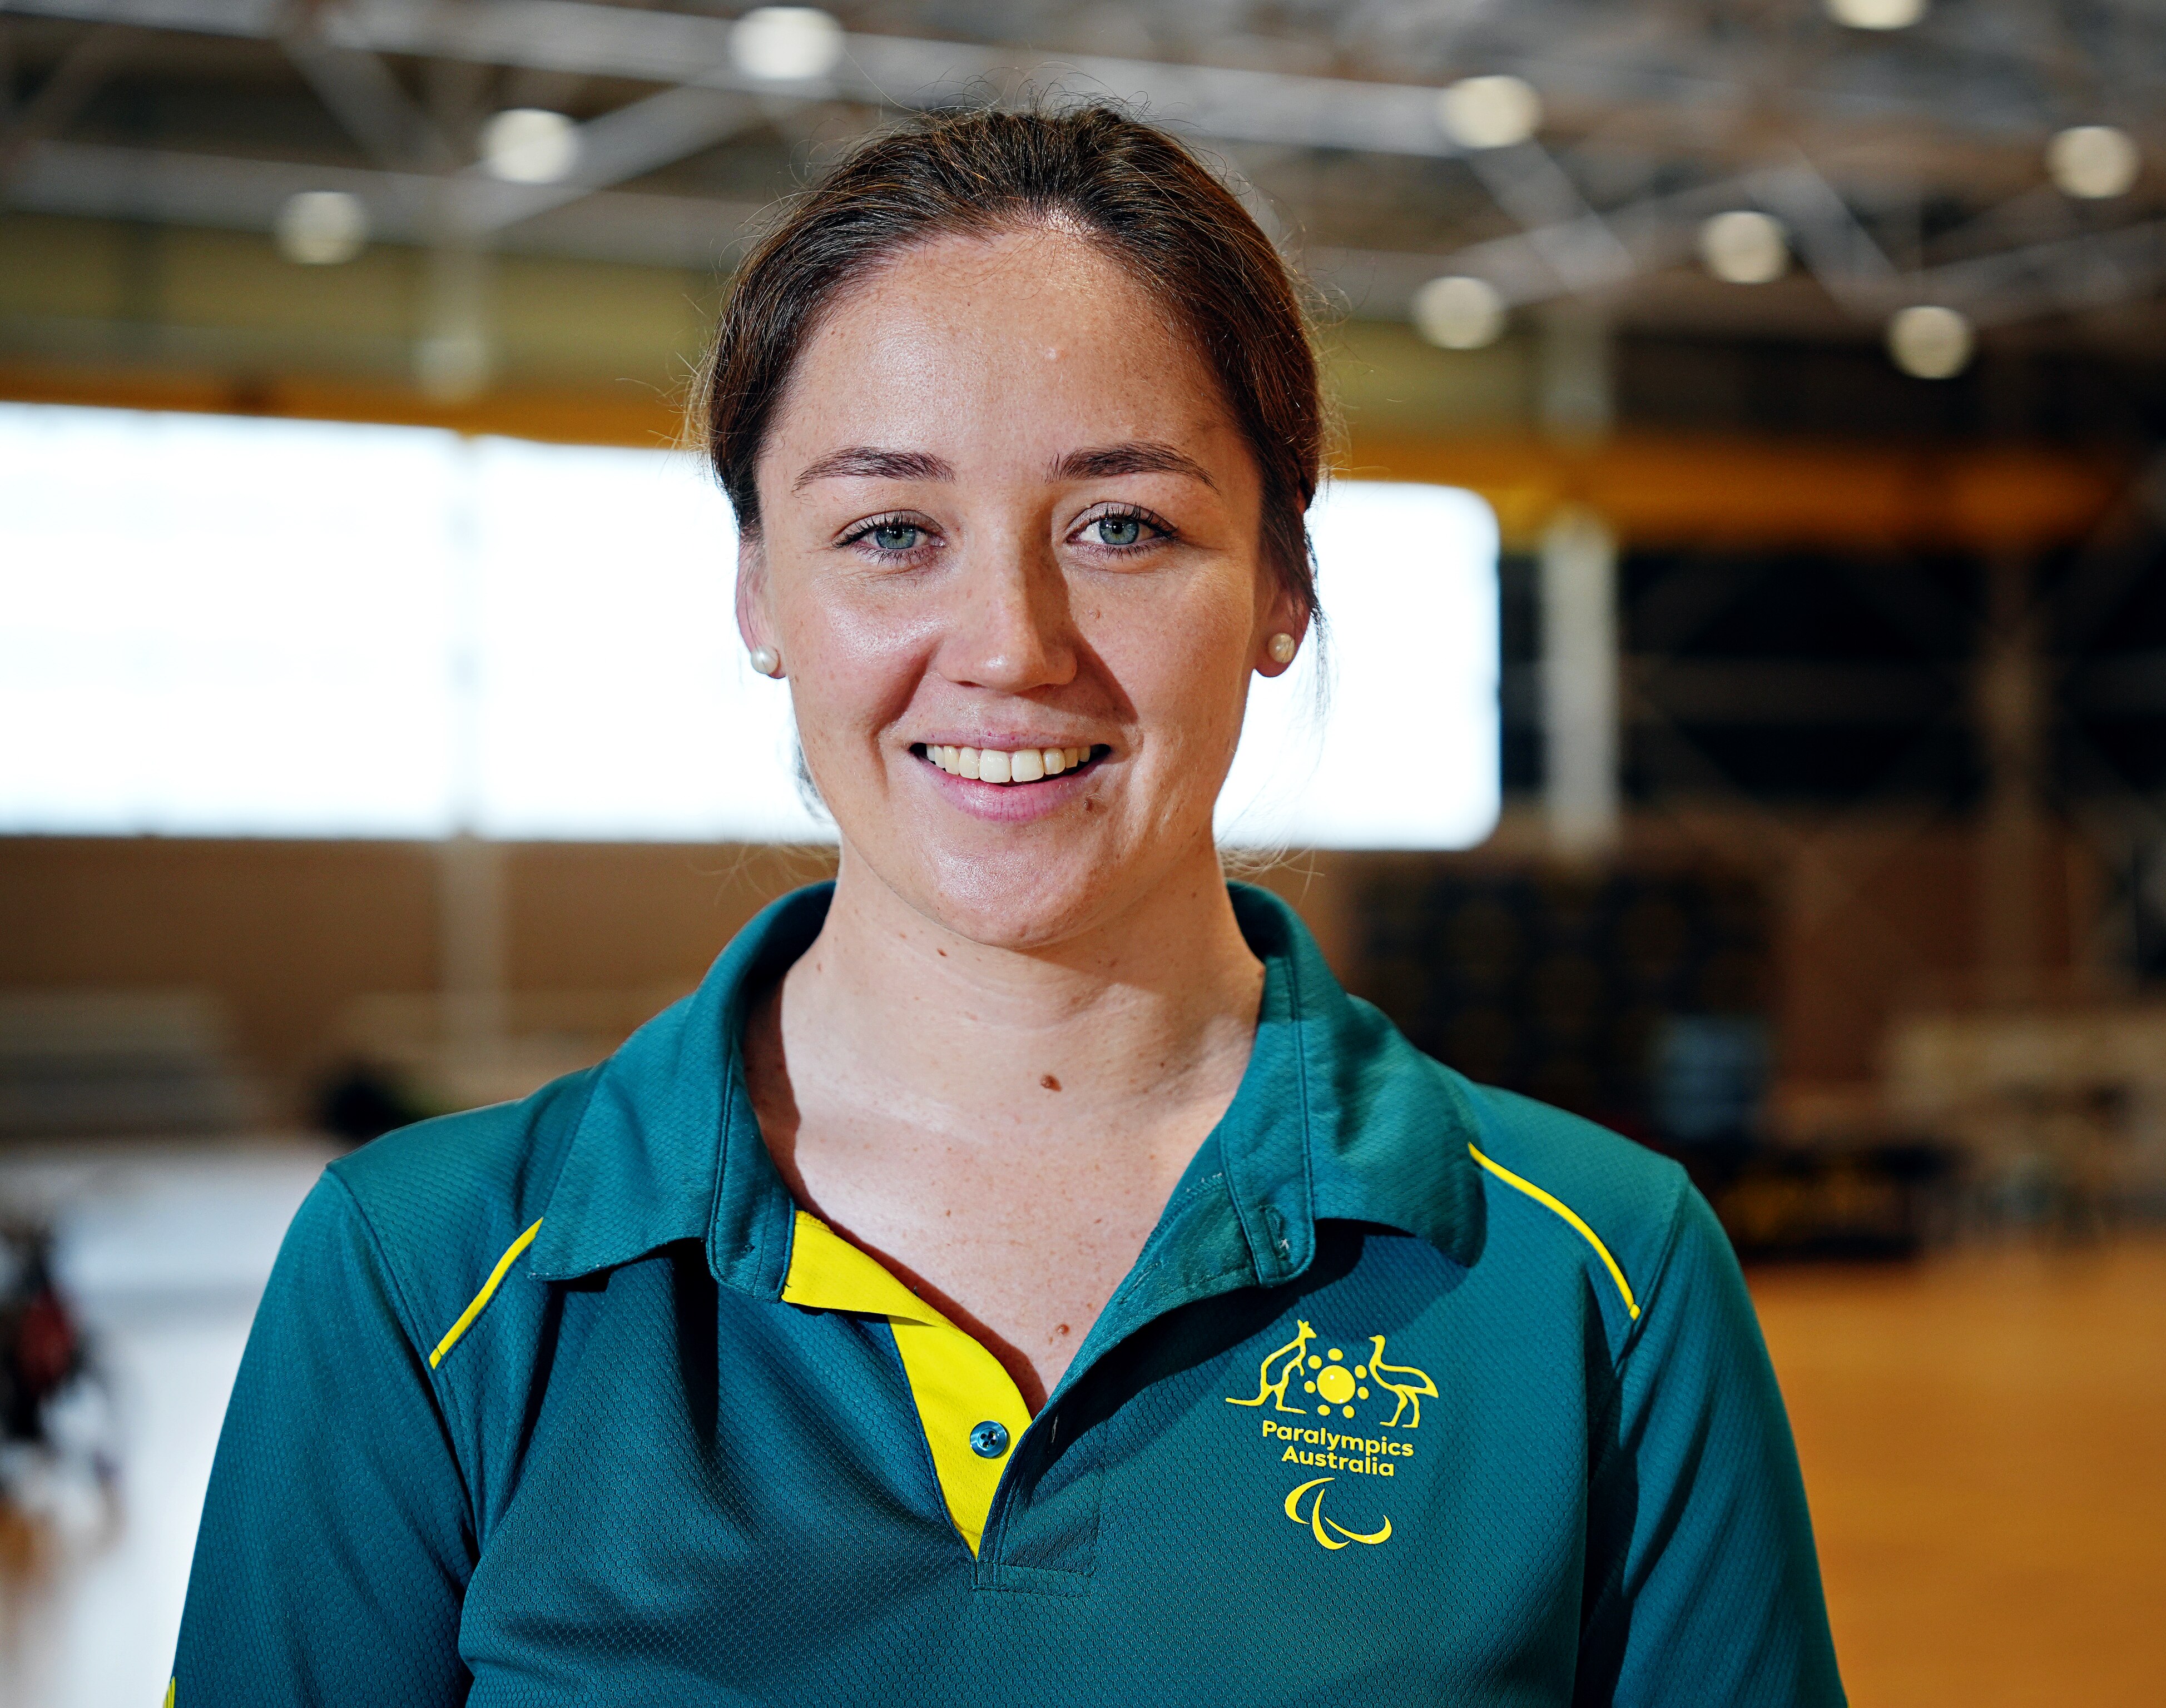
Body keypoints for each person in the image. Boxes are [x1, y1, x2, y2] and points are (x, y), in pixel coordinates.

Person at [174, 106, 1843, 1706]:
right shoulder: (428, 1278)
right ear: (761, 594)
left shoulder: (1600, 1286)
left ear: (1279, 588)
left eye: (1123, 525)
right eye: (892, 529)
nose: (1011, 643)